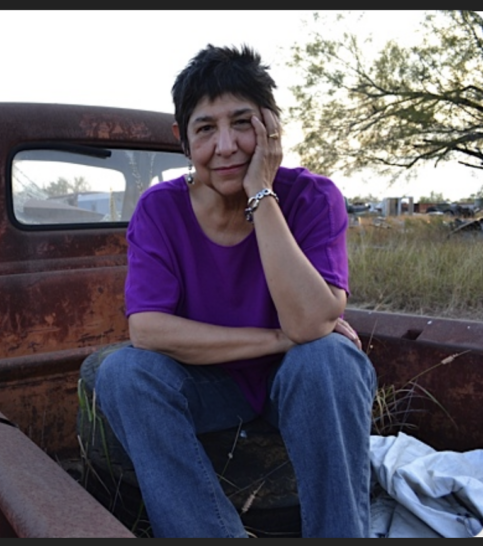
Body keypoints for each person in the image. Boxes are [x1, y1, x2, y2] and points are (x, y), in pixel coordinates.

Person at [93, 44, 377, 538]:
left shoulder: (312, 198)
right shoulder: (160, 210)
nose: (225, 146)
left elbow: (312, 324)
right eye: (206, 129)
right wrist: (280, 337)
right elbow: (148, 329)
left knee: (329, 358)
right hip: (208, 385)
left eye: (242, 123)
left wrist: (261, 194)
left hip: (293, 381)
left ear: (271, 126)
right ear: (183, 140)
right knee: (123, 372)